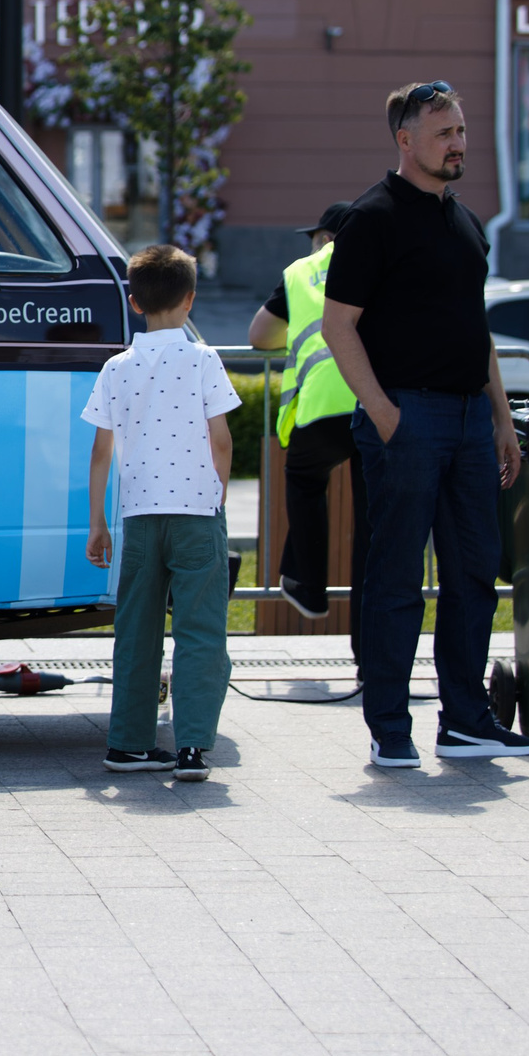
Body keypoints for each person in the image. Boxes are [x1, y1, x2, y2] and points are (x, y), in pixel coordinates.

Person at [320, 81, 529, 767]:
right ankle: (390, 727)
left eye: (463, 131)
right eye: (445, 133)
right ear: (405, 139)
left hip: (473, 419)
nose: (459, 144)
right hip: (407, 418)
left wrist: (502, 417)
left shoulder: (465, 221)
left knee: (475, 571)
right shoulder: (372, 217)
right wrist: (386, 414)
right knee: (396, 579)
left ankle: (467, 719)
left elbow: (479, 330)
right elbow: (338, 326)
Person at [85, 245, 243, 783]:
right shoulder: (204, 359)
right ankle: (193, 748)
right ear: (190, 299)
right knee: (201, 630)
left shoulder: (115, 367)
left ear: (134, 302)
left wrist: (97, 523)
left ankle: (127, 744)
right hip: (197, 509)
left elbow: (101, 451)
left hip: (138, 512)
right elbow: (221, 441)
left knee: (136, 627)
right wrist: (216, 495)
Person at [248, 204, 364, 621]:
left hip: (321, 407)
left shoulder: (300, 272)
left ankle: (308, 585)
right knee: (372, 525)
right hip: (377, 405)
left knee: (304, 479)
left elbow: (260, 336)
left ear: (328, 237)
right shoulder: (382, 261)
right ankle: (371, 659)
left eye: (316, 236)